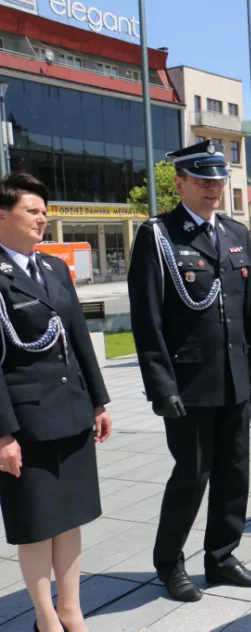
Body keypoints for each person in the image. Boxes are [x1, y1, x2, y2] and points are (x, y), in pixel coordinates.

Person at [127, 141, 251, 603]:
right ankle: (169, 563)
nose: (213, 189)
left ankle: (222, 558)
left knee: (235, 472)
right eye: (203, 180)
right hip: (188, 384)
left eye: (218, 181)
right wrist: (160, 386)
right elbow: (147, 321)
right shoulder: (158, 235)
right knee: (191, 474)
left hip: (233, 377)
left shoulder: (235, 233)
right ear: (180, 182)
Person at [0, 173, 112, 632]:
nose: (43, 218)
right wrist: (3, 433)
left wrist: (99, 402)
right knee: (36, 524)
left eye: (45, 211)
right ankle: (45, 618)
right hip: (26, 421)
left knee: (70, 518)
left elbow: (79, 338)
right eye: (32, 210)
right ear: (2, 215)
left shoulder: (53, 268)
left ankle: (71, 609)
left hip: (70, 409)